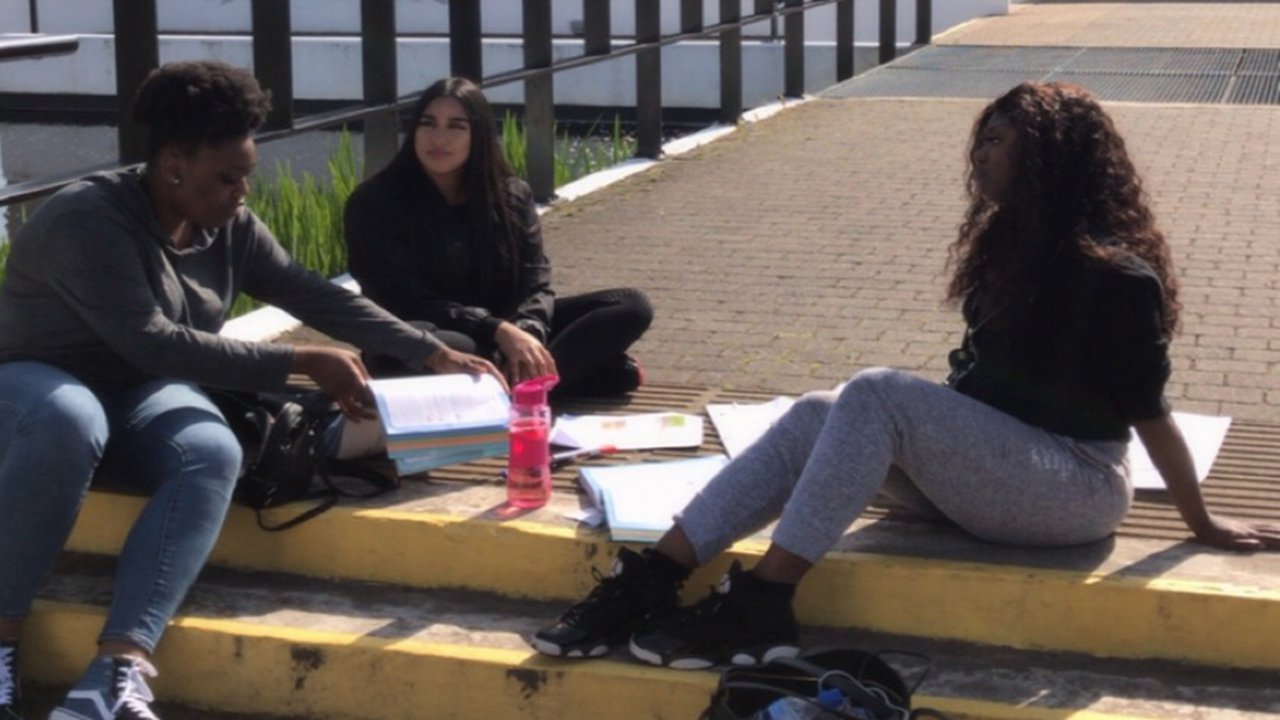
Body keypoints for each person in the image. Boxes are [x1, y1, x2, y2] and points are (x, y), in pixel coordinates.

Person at [530, 81, 1280, 668]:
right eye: (979, 138)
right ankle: (654, 578)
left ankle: (763, 599)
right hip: (1000, 475)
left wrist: (1202, 521)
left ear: (1050, 155)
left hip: (1075, 487)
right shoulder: (1009, 247)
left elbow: (1150, 415)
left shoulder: (1117, 277)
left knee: (878, 392)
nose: (979, 154)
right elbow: (976, 389)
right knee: (824, 408)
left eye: (997, 139)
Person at [0, 61, 501, 720]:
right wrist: (303, 360)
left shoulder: (225, 222)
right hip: (36, 380)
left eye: (247, 177)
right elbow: (150, 339)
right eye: (228, 178)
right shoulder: (87, 220)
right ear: (174, 164)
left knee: (211, 450)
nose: (242, 192)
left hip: (139, 389)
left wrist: (430, 351)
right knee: (72, 417)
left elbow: (310, 291)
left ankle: (114, 671)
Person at [344, 77, 653, 396]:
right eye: (428, 124)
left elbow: (535, 281)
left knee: (630, 305)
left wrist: (526, 330)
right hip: (427, 332)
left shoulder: (511, 196)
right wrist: (495, 329)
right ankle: (556, 380)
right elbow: (400, 299)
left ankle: (517, 386)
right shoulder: (375, 202)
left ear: (478, 135)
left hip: (504, 328)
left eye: (456, 126)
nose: (439, 138)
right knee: (448, 347)